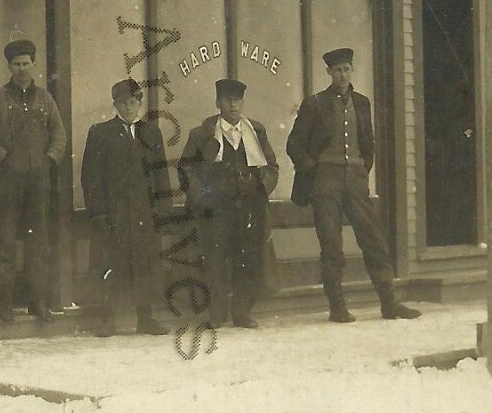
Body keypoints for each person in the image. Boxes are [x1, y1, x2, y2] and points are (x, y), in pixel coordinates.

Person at [286, 48, 421, 323]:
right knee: (331, 243)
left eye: (346, 69)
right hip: (325, 182)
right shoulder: (315, 103)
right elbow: (294, 145)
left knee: (373, 239)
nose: (342, 75)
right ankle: (337, 307)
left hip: (356, 179)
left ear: (352, 70)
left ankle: (389, 303)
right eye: (337, 70)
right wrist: (315, 169)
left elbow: (368, 142)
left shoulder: (362, 102)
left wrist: (361, 170)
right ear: (329, 72)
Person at [0, 39, 68, 324]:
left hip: (39, 184)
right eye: (16, 64)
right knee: (5, 244)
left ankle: (37, 302)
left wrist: (49, 159)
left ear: (34, 65)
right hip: (8, 183)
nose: (22, 69)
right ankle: (5, 303)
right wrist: (3, 158)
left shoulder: (45, 99)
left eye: (26, 63)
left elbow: (59, 134)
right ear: (9, 67)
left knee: (38, 244)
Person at [177, 79, 278, 330]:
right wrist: (203, 196)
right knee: (216, 260)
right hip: (216, 210)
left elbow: (271, 167)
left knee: (247, 260)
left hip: (248, 209)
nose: (233, 104)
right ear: (218, 103)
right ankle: (216, 312)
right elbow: (186, 170)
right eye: (227, 100)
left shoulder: (255, 131)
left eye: (237, 100)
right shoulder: (202, 134)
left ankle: (242, 312)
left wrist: (259, 187)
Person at [80, 79, 172, 336]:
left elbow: (161, 173)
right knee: (110, 262)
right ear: (115, 105)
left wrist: (163, 208)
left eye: (133, 102)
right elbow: (91, 178)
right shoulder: (100, 133)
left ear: (140, 103)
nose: (129, 108)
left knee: (145, 263)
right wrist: (98, 213)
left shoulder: (151, 132)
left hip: (144, 211)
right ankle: (107, 318)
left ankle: (146, 318)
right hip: (114, 213)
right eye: (123, 103)